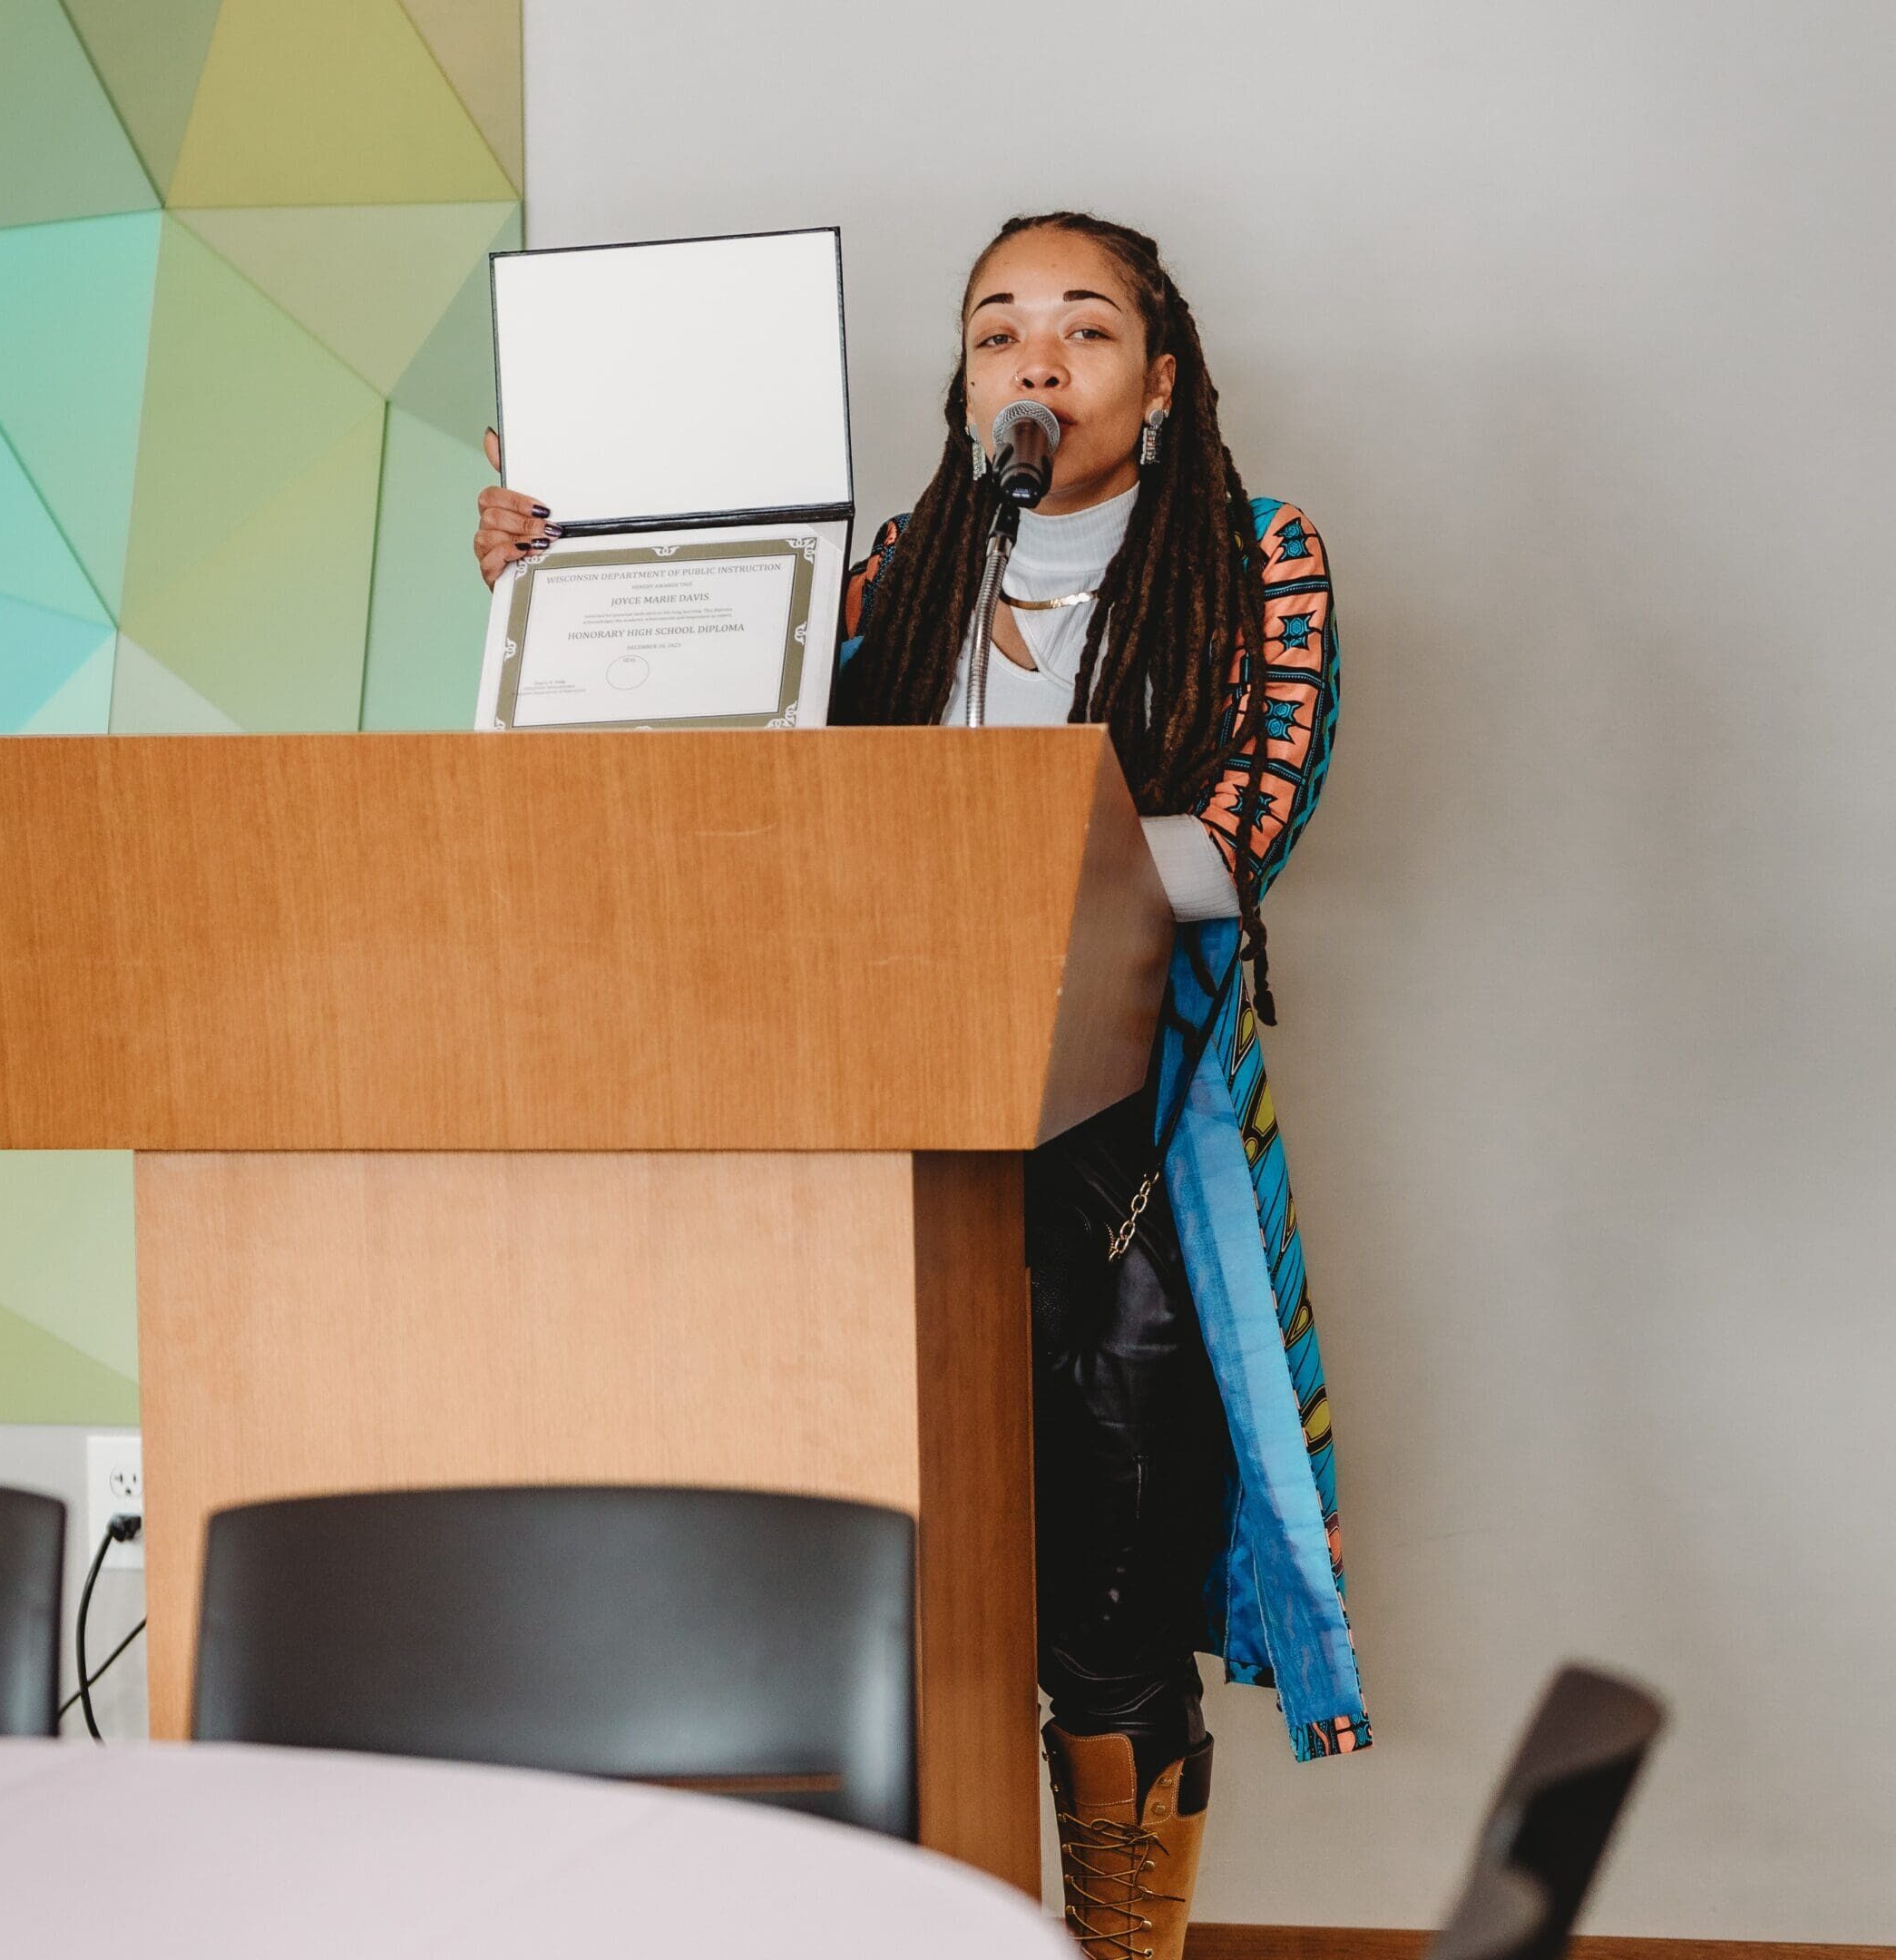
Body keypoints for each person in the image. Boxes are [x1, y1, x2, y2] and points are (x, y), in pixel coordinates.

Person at [474, 211, 1369, 1960]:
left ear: (1162, 382)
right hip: (879, 1130)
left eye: (1087, 329)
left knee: (1109, 1583)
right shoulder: (898, 565)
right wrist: (563, 591)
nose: (1038, 361)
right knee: (889, 1570)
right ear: (965, 387)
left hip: (1121, 1141)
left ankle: (1121, 1943)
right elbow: (708, 763)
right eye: (997, 333)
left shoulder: (1258, 553)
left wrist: (993, 855)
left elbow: (1250, 828)